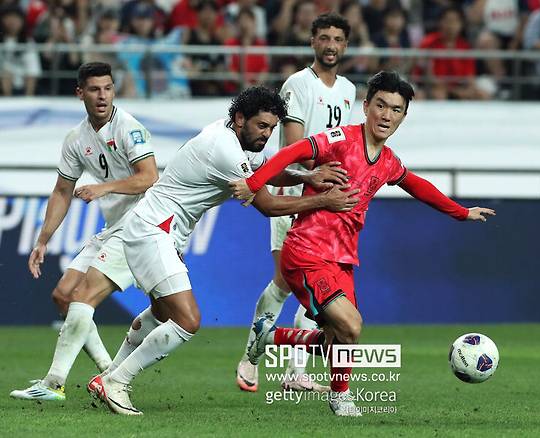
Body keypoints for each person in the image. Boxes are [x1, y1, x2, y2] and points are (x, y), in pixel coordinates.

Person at [230, 71, 495, 416]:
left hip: (341, 259)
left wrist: (461, 212)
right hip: (307, 250)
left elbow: (417, 185)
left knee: (339, 341)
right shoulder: (342, 139)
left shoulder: (387, 162)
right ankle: (341, 398)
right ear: (366, 106)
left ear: (403, 116)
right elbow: (294, 151)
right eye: (380, 105)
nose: (386, 115)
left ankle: (271, 337)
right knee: (352, 324)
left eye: (395, 110)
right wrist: (254, 182)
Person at [87, 86, 360, 416]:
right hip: (153, 231)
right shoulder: (224, 149)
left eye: (272, 128)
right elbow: (268, 204)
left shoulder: (232, 137)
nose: (267, 134)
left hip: (161, 232)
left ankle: (108, 375)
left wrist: (306, 175)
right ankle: (118, 382)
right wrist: (324, 199)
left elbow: (266, 168)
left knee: (160, 314)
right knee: (187, 320)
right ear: (240, 119)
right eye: (262, 126)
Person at [9, 62, 158, 402]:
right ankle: (109, 374)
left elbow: (149, 176)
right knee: (63, 295)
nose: (102, 95)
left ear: (114, 91)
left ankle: (53, 382)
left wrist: (105, 188)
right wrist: (42, 240)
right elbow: (62, 191)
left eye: (107, 88)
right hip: (113, 226)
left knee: (83, 295)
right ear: (80, 93)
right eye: (94, 89)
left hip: (141, 224)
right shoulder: (77, 139)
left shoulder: (128, 128)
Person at [235, 12, 356, 394]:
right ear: (312, 42)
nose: (331, 45)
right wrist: (323, 173)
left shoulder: (350, 90)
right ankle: (250, 356)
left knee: (318, 282)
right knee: (286, 280)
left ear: (345, 45)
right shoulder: (298, 84)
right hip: (296, 193)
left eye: (337, 39)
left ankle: (296, 372)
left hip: (328, 197)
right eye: (324, 38)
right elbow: (292, 146)